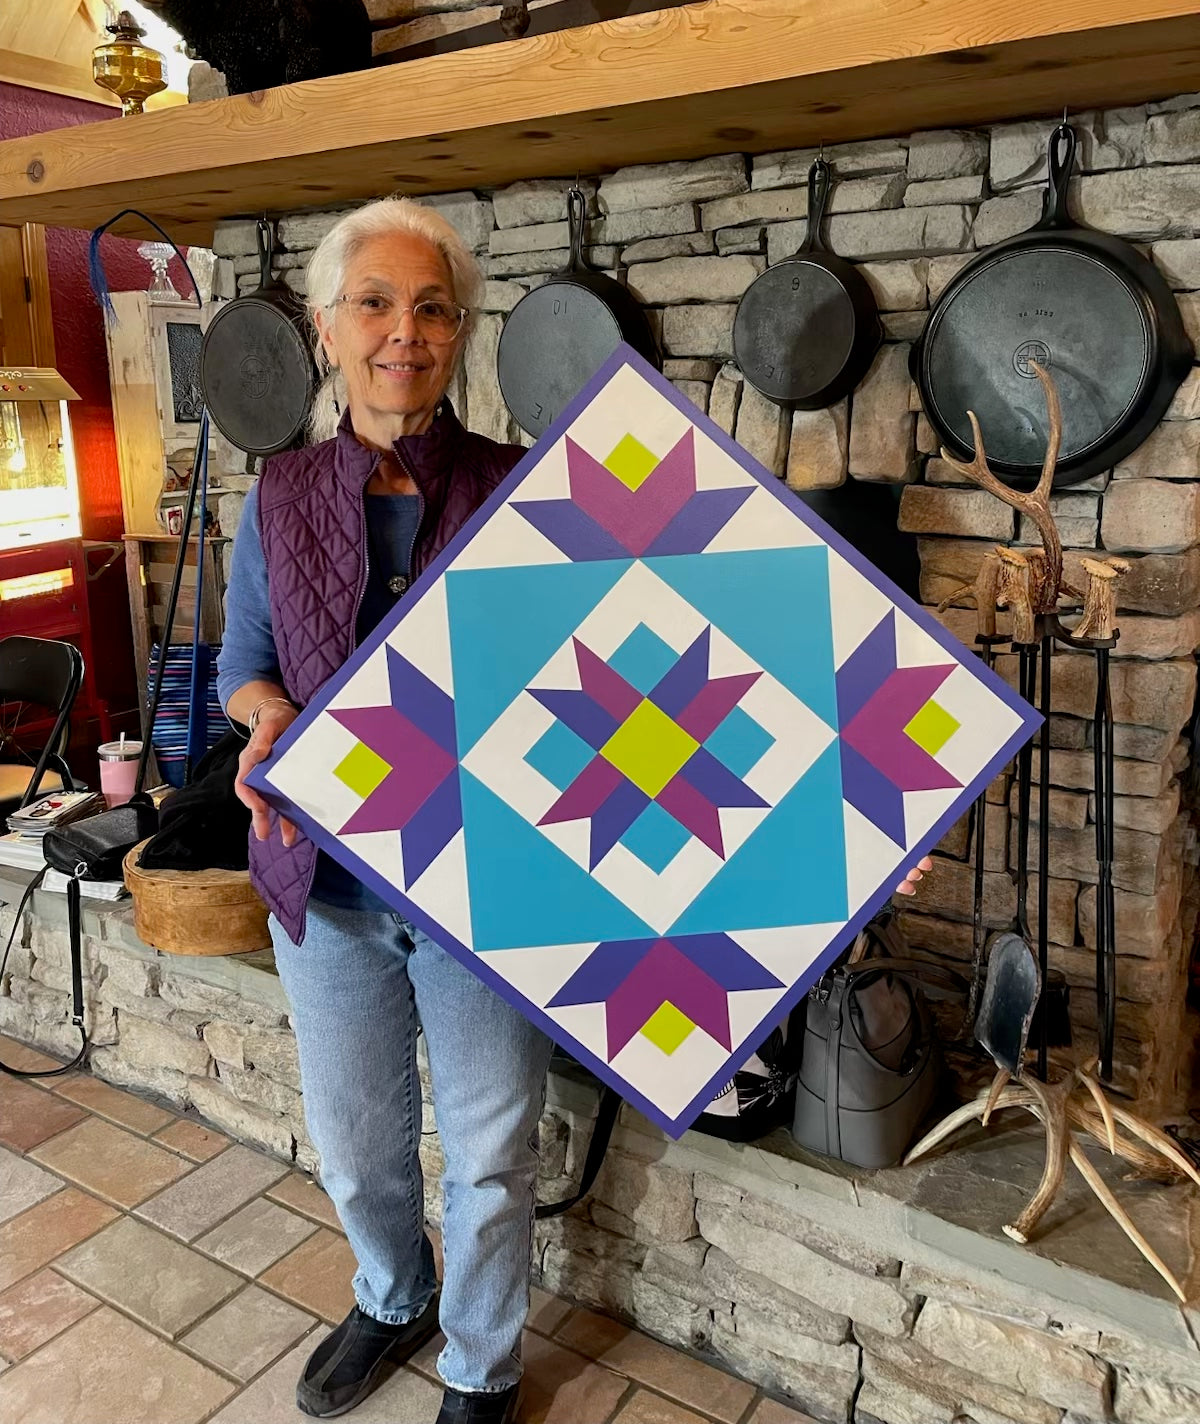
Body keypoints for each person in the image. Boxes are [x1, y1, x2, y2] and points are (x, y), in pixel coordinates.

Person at [218, 196, 931, 1423]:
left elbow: (682, 671)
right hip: (323, 880)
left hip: (496, 889)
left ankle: (480, 1363)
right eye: (375, 304)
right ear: (328, 327)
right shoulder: (276, 497)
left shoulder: (536, 490)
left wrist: (858, 804)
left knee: (491, 1146)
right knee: (357, 1141)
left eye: (433, 308)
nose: (405, 332)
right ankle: (391, 1294)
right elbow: (245, 662)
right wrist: (266, 716)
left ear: (462, 333)